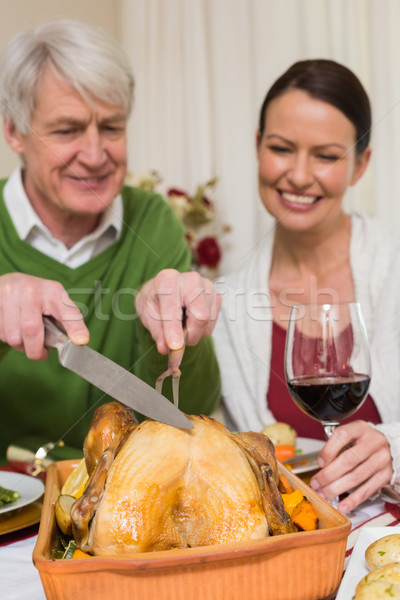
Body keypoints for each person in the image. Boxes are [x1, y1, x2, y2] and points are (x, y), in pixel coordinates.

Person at [0, 19, 221, 464]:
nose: (97, 154)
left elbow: (190, 412)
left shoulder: (152, 219)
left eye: (113, 127)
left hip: (116, 515)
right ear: (15, 133)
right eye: (67, 130)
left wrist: (169, 332)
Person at [213, 58, 400, 513]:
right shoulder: (226, 305)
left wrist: (393, 448)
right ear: (258, 147)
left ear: (360, 165)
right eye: (281, 148)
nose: (298, 175)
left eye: (326, 156)